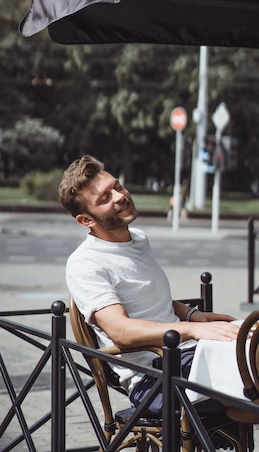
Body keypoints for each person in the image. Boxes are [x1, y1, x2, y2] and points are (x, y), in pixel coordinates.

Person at [59, 154, 238, 414]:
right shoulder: (85, 264)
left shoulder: (138, 239)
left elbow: (146, 295)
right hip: (154, 378)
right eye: (105, 199)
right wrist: (193, 330)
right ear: (86, 220)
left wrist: (192, 314)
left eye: (117, 187)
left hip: (185, 354)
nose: (120, 196)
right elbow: (121, 331)